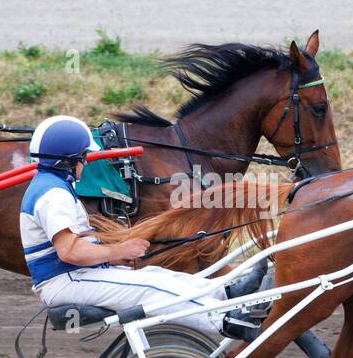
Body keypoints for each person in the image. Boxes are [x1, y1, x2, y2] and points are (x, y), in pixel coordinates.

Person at [20, 115, 254, 340]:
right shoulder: (54, 194)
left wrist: (110, 259)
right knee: (149, 287)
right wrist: (120, 250)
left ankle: (225, 293)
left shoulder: (51, 186)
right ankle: (224, 319)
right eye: (82, 157)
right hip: (66, 281)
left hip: (73, 277)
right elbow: (70, 252)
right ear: (68, 161)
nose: (84, 162)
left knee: (156, 275)